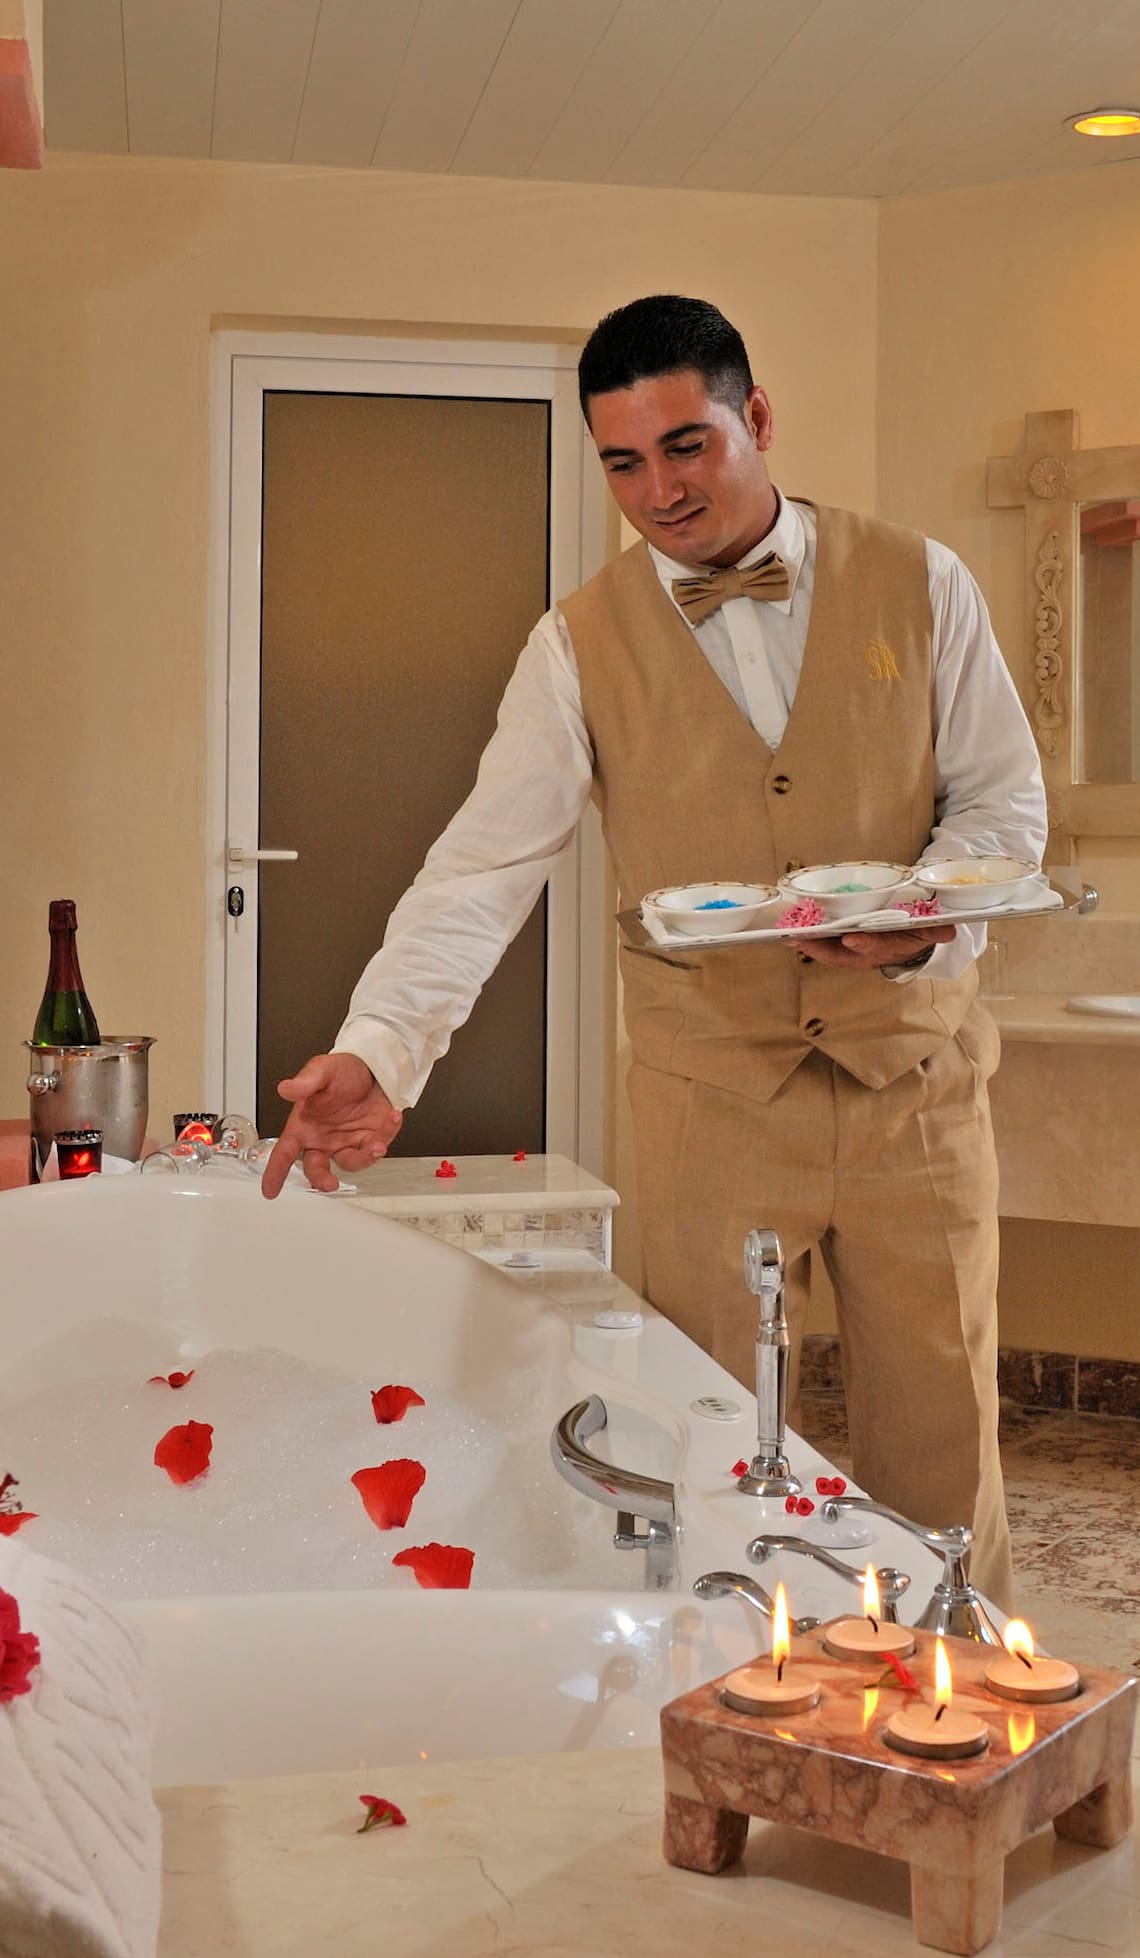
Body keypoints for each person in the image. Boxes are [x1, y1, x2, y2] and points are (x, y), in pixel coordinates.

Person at [261, 295, 1047, 1609]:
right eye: (622, 460)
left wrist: (928, 911)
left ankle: (952, 1718)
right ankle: (737, 1716)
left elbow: (1005, 807)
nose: (659, 491)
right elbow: (481, 871)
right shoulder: (574, 643)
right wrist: (382, 1048)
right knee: (705, 1435)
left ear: (758, 420)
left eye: (687, 446)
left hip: (917, 1089)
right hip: (710, 1099)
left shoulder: (923, 582)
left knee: (944, 1438)